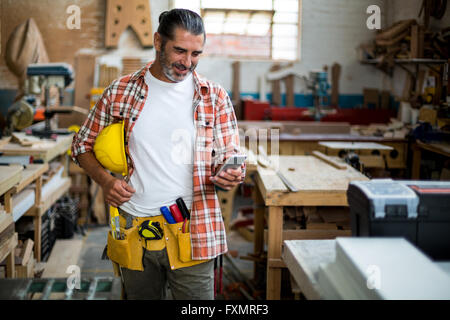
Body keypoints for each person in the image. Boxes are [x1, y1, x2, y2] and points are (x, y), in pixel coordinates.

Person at [71, 9, 245, 300]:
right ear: (157, 41)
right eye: (179, 50)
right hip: (135, 229)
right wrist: (104, 181)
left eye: (195, 54)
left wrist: (230, 173)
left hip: (194, 231)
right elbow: (81, 145)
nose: (187, 63)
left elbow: (228, 153)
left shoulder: (213, 96)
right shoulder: (120, 92)